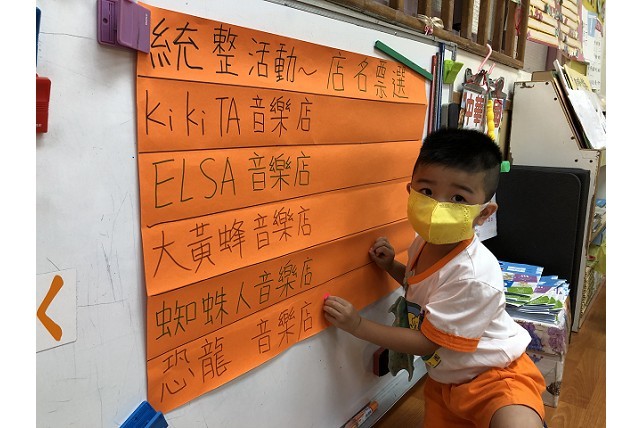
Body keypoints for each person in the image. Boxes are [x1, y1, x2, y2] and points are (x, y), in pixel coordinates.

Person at [323, 128, 546, 428]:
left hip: (494, 375)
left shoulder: (473, 275)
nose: (438, 207)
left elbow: (427, 343)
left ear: (483, 214)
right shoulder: (424, 242)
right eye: (427, 192)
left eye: (458, 198)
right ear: (410, 191)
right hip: (446, 379)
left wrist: (357, 325)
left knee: (515, 421)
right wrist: (391, 266)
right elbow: (420, 288)